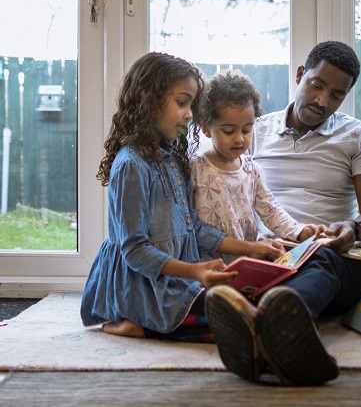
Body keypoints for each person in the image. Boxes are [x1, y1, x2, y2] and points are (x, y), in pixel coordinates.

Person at [205, 40, 361, 386]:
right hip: (272, 255)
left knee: (322, 260)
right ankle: (278, 335)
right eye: (317, 85)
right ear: (301, 75)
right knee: (238, 269)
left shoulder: (358, 136)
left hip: (335, 260)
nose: (322, 101)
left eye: (336, 95)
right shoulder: (254, 131)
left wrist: (353, 227)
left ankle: (270, 317)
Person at [80, 52, 284, 343]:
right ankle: (140, 325)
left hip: (175, 281)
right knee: (234, 317)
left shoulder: (172, 159)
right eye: (181, 102)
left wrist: (251, 249)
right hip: (140, 286)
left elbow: (195, 228)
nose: (189, 114)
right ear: (147, 99)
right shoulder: (130, 166)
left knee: (246, 308)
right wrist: (194, 271)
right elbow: (134, 250)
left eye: (191, 104)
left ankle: (171, 326)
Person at [190, 69, 324, 264]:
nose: (239, 138)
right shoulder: (195, 169)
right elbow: (190, 227)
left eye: (247, 129)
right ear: (206, 128)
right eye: (228, 131)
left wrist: (299, 231)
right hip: (206, 269)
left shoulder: (252, 170)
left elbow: (270, 209)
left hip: (247, 265)